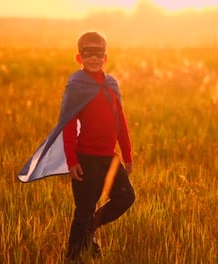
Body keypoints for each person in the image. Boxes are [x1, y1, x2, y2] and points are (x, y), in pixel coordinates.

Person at [62, 31, 135, 261]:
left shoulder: (111, 84)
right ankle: (73, 256)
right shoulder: (76, 85)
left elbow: (120, 120)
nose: (93, 58)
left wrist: (127, 152)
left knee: (126, 197)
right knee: (83, 211)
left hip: (109, 158)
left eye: (98, 53)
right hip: (86, 159)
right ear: (79, 57)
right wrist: (72, 160)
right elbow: (68, 124)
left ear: (105, 57)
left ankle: (92, 229)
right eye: (88, 53)